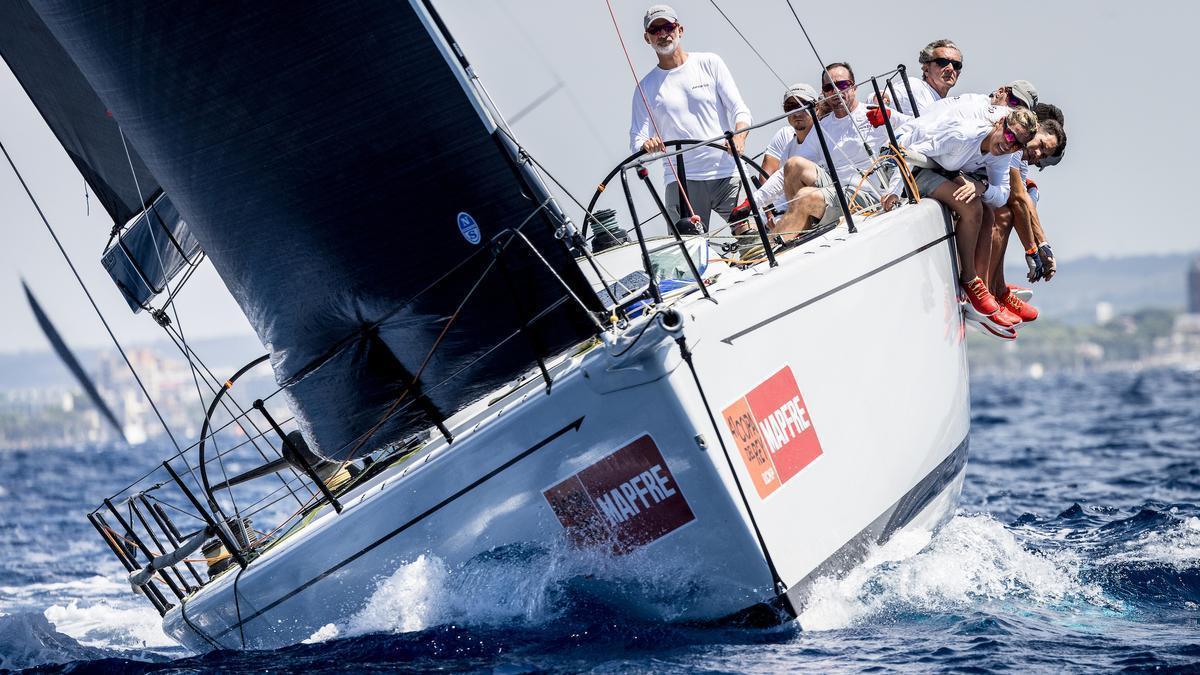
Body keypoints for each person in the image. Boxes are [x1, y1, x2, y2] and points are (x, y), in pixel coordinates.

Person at [882, 102, 1039, 331]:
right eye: (1008, 134)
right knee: (972, 208)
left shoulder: (1003, 152)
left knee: (987, 213)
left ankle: (984, 289)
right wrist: (893, 192)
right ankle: (970, 281)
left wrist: (981, 186)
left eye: (1017, 144)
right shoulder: (964, 134)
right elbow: (906, 152)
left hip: (936, 167)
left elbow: (1001, 195)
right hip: (905, 165)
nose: (1008, 144)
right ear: (999, 123)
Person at [629, 4, 751, 232]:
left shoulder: (710, 63)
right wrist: (648, 147)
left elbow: (740, 109)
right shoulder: (644, 88)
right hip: (681, 182)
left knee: (754, 240)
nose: (663, 34)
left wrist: (740, 137)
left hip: (726, 173)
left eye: (668, 27)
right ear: (647, 38)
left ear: (680, 30)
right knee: (686, 256)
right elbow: (637, 141)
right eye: (655, 30)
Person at [986, 114, 1067, 322]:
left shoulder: (1022, 155)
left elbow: (1023, 198)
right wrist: (1033, 249)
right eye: (1040, 144)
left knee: (1015, 207)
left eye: (1043, 154)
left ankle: (997, 287)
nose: (1037, 153)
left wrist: (1043, 246)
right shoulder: (1015, 147)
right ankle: (989, 289)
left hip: (983, 187)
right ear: (1035, 128)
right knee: (1004, 215)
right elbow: (1018, 199)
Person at [894, 39, 963, 116]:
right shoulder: (916, 87)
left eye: (956, 65)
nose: (950, 68)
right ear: (926, 69)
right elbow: (884, 98)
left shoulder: (948, 107)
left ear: (959, 73)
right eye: (942, 62)